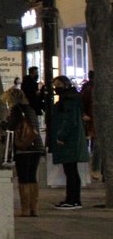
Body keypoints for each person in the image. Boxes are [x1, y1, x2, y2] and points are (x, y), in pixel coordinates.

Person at [0, 87, 43, 217]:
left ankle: (25, 209)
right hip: (36, 146)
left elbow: (11, 127)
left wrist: (2, 124)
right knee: (32, 177)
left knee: (23, 178)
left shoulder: (16, 110)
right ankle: (34, 208)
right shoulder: (30, 109)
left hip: (23, 148)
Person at [50, 75, 87, 209]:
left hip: (69, 141)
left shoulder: (69, 100)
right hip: (70, 139)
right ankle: (72, 199)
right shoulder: (70, 98)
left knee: (70, 170)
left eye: (58, 85)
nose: (56, 88)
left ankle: (73, 200)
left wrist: (61, 136)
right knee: (70, 170)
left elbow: (69, 120)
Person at [80, 71, 100, 181]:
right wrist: (84, 114)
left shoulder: (88, 88)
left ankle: (98, 169)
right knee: (98, 145)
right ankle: (96, 169)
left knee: (97, 145)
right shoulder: (89, 88)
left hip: (95, 120)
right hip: (95, 120)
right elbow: (83, 103)